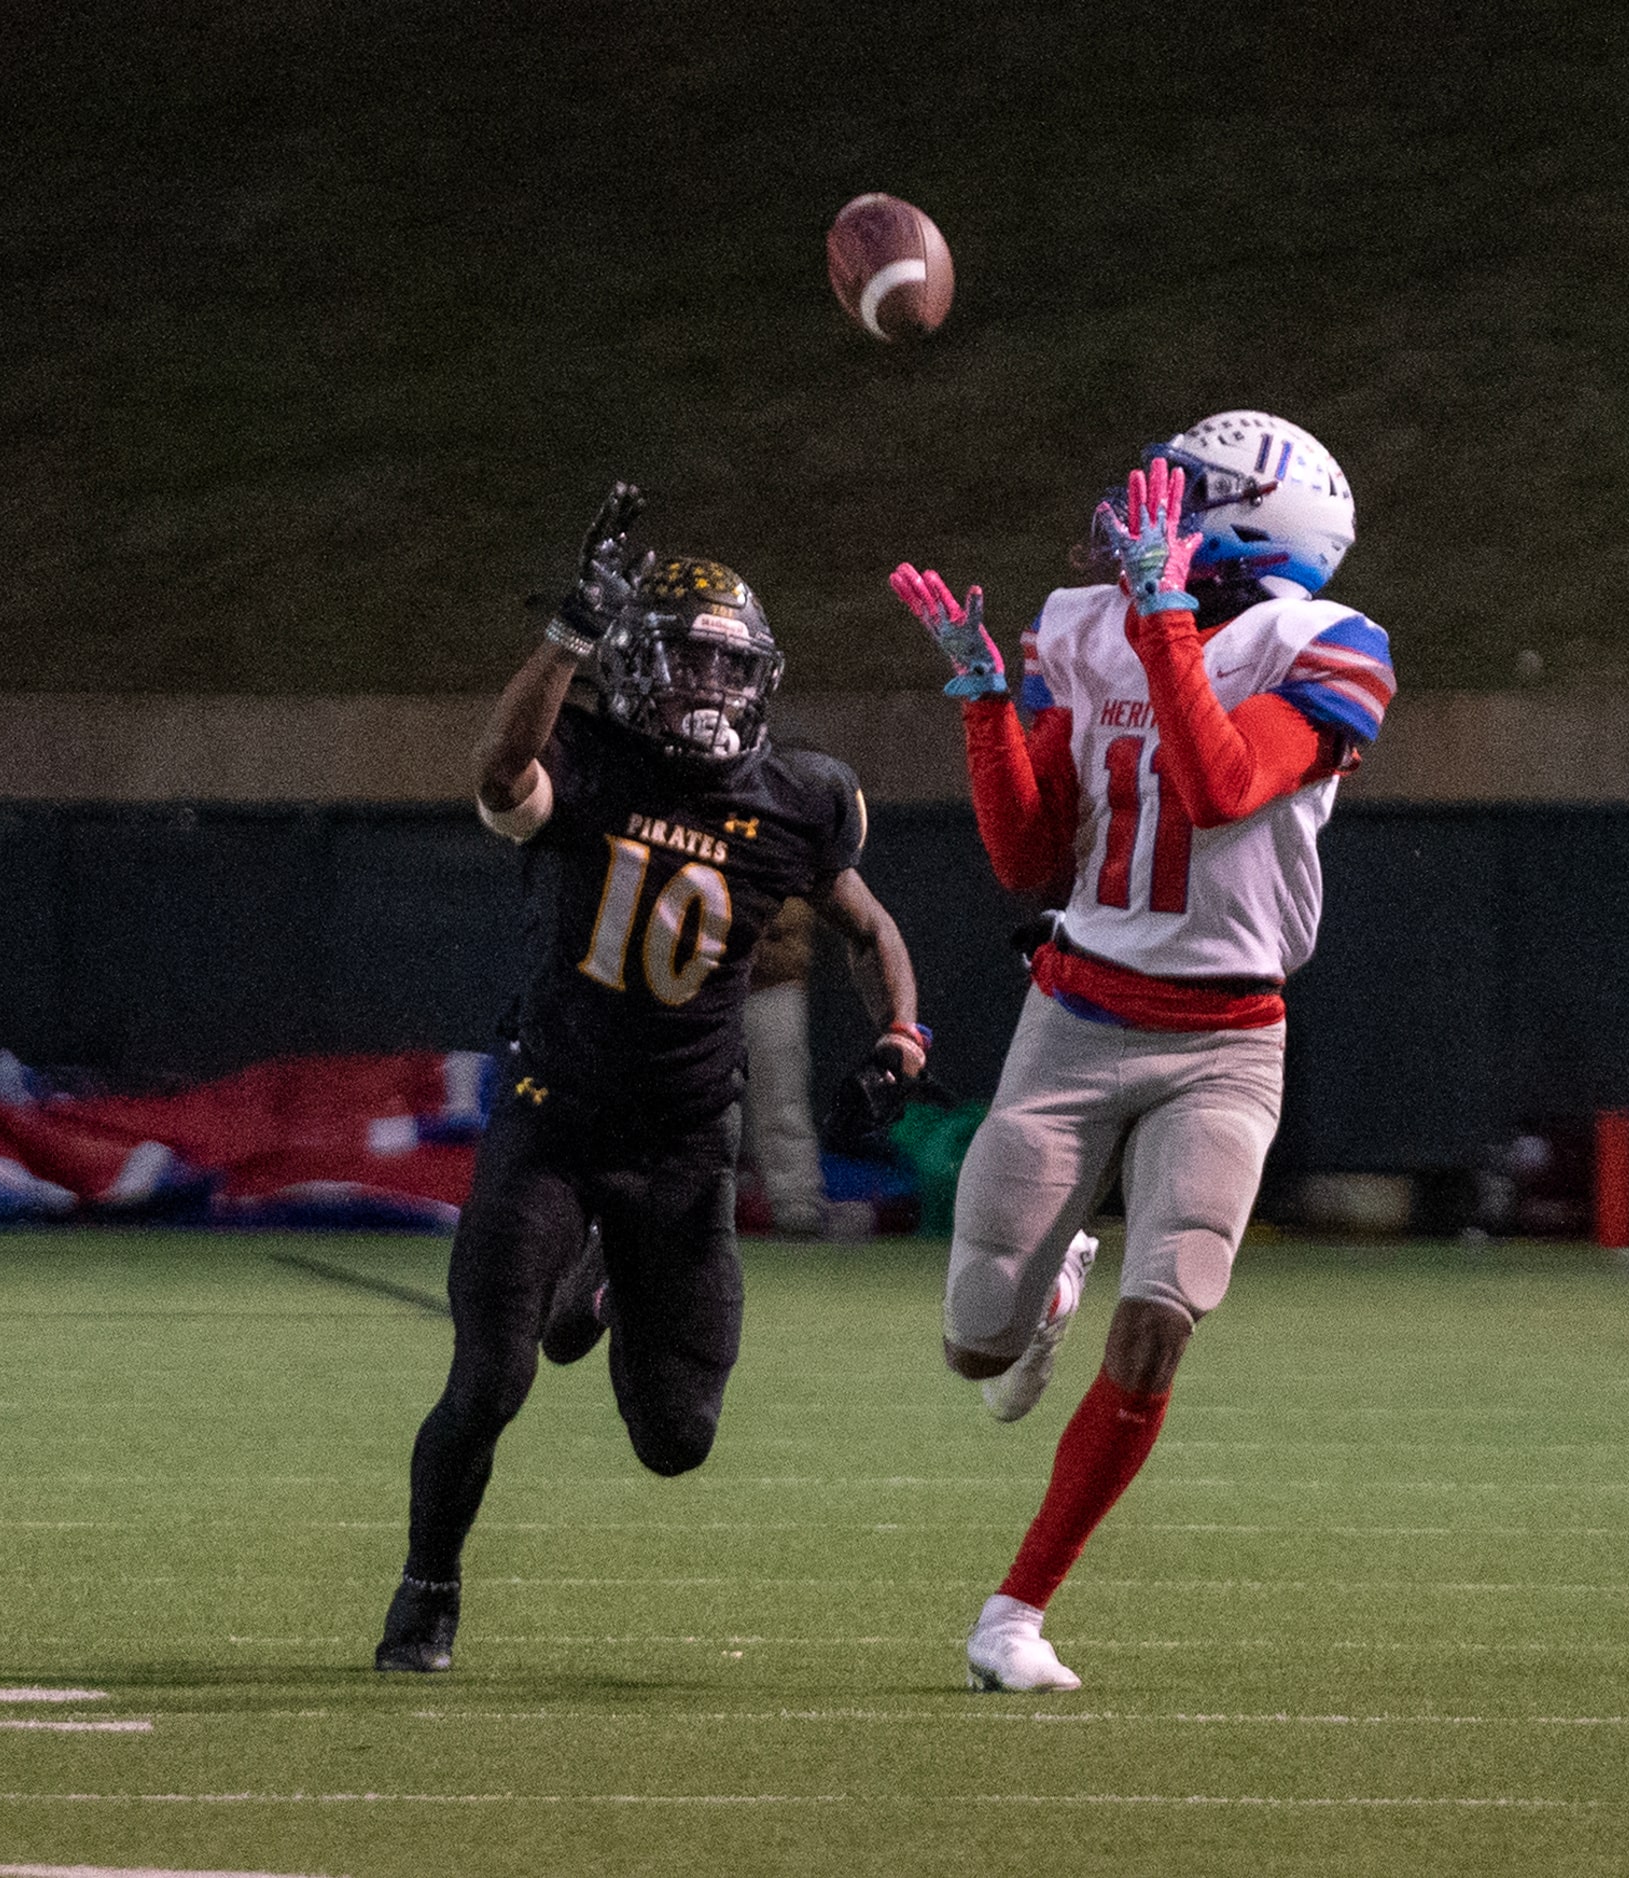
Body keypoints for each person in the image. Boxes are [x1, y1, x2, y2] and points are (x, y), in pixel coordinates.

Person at [376, 486, 929, 1672]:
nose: (711, 693)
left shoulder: (797, 797)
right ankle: (428, 1586)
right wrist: (565, 635)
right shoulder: (585, 761)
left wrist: (902, 1039)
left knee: (677, 1440)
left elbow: (867, 927)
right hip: (552, 1122)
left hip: (684, 1147)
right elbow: (497, 771)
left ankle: (605, 1285)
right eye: (686, 666)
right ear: (630, 671)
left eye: (732, 672)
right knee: (491, 1376)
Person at [888, 411, 1391, 1693]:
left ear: (1249, 525)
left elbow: (1224, 783)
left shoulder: (1326, 646)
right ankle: (1047, 1294)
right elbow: (1026, 854)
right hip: (1072, 1018)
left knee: (1165, 1315)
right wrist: (989, 704)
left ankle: (1012, 1613)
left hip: (1228, 1037)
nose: (1144, 509)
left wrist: (1166, 616)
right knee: (975, 1348)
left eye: (1185, 492)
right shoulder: (1097, 625)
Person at [742, 897, 830, 1234]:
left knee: (783, 1102)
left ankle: (798, 1210)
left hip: (772, 981)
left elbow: (795, 908)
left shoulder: (785, 845)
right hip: (698, 984)